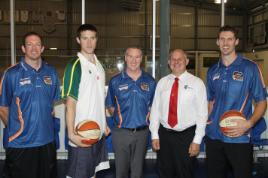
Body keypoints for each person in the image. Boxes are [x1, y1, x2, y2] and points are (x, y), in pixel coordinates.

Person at [206, 25, 267, 178]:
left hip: (239, 136)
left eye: (230, 39)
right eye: (222, 39)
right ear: (217, 42)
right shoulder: (213, 70)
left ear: (236, 42)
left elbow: (261, 101)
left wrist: (249, 123)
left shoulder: (250, 68)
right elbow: (210, 102)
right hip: (214, 136)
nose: (225, 43)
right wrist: (205, 124)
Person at [0, 31, 60, 178]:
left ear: (43, 48)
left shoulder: (51, 73)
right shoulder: (11, 74)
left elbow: (51, 106)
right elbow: (3, 108)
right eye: (29, 44)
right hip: (21, 144)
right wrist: (18, 128)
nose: (34, 48)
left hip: (47, 142)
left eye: (37, 44)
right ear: (23, 48)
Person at [149, 49, 208, 178]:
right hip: (164, 135)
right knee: (164, 172)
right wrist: (154, 135)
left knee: (185, 173)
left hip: (187, 137)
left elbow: (202, 114)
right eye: (173, 59)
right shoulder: (162, 83)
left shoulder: (197, 83)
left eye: (180, 59)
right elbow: (155, 110)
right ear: (169, 62)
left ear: (186, 61)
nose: (176, 62)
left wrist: (197, 140)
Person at [62, 24, 110, 178]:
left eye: (92, 38)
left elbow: (98, 98)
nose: (89, 43)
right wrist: (71, 134)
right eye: (85, 38)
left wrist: (105, 123)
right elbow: (70, 103)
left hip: (97, 132)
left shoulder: (99, 66)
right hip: (81, 133)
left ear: (97, 40)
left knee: (92, 173)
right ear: (78, 40)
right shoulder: (74, 65)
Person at [105, 47, 156, 178]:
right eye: (130, 56)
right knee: (121, 172)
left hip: (142, 133)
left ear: (142, 59)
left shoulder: (150, 81)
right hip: (121, 133)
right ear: (125, 58)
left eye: (137, 57)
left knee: (137, 172)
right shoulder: (115, 81)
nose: (134, 60)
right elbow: (110, 105)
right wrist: (120, 120)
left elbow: (154, 106)